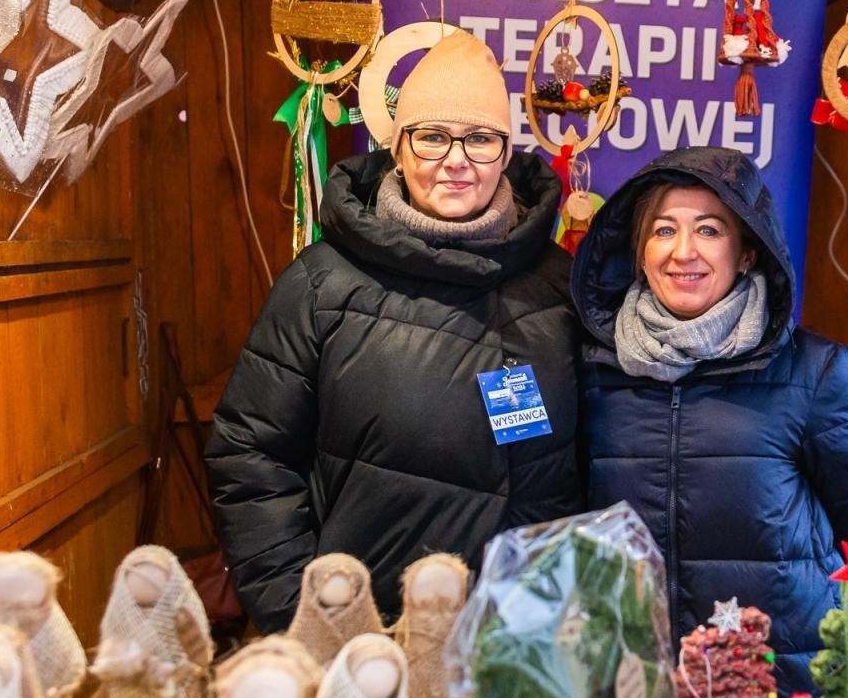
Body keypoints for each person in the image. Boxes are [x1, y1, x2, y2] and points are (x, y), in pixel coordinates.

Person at [206, 32, 582, 630]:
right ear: (398, 149)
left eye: (481, 138)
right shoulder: (321, 286)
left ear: (506, 153)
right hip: (361, 642)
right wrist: (306, 620)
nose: (456, 160)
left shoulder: (560, 288)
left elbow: (596, 467)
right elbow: (250, 457)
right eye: (432, 136)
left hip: (519, 645)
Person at [571, 146, 848, 696]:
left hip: (780, 683)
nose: (683, 251)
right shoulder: (592, 371)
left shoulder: (816, 371)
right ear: (639, 253)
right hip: (633, 684)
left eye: (709, 230)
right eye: (663, 230)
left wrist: (846, 647)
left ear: (748, 252)